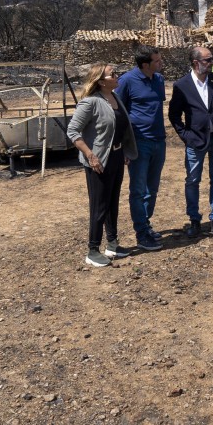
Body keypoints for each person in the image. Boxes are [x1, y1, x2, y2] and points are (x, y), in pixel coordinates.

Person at [68, 63, 139, 267]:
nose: (117, 76)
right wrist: (90, 155)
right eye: (112, 74)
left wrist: (124, 150)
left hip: (116, 157)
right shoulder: (89, 103)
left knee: (112, 202)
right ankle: (92, 250)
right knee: (99, 206)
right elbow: (73, 132)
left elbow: (121, 128)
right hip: (98, 161)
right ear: (100, 82)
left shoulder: (115, 98)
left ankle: (113, 244)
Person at [169, 46, 213, 239]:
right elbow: (174, 116)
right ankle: (195, 220)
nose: (211, 63)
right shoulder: (182, 85)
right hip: (195, 141)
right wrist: (186, 136)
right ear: (196, 63)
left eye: (211, 59)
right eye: (208, 60)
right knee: (192, 180)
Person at [116, 45, 167, 252]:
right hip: (138, 143)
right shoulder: (127, 81)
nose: (161, 63)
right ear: (145, 64)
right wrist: (123, 146)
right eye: (157, 61)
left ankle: (146, 225)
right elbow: (118, 111)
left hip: (159, 141)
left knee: (152, 189)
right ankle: (141, 233)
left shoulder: (159, 80)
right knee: (137, 190)